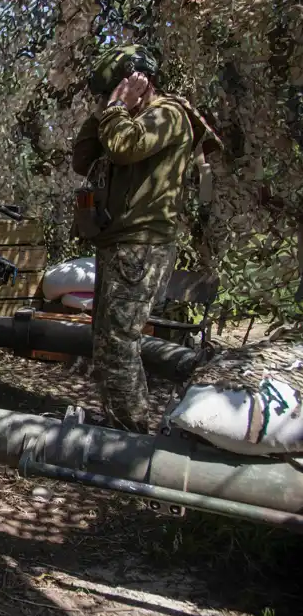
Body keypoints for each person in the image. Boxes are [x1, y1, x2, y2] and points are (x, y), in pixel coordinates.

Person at [72, 44, 219, 433]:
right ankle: (117, 420)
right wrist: (107, 109)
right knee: (105, 338)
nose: (109, 101)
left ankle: (131, 435)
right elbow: (82, 159)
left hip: (141, 243)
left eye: (113, 91)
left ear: (139, 80)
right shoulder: (121, 118)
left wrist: (119, 108)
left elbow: (124, 148)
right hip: (118, 240)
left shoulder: (168, 114)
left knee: (120, 340)